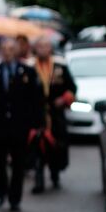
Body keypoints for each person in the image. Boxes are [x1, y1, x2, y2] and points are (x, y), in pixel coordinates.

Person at [0, 37, 45, 212]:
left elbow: (36, 100)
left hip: (19, 126)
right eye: (5, 49)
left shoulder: (27, 72)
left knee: (18, 164)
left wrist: (37, 124)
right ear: (1, 51)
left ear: (16, 51)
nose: (8, 52)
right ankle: (2, 189)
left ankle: (14, 197)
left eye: (11, 49)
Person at [30, 35, 77, 193]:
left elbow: (72, 87)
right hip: (37, 114)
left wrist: (64, 99)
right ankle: (38, 180)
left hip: (56, 114)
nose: (43, 49)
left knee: (57, 145)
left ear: (50, 48)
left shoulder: (59, 65)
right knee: (37, 146)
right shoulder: (30, 67)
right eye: (40, 46)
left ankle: (55, 172)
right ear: (35, 48)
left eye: (46, 46)